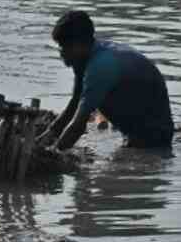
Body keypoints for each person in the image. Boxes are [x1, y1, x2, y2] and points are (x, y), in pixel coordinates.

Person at [42, 10, 173, 151]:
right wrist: (45, 138)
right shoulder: (84, 59)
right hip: (136, 131)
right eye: (60, 47)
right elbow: (74, 103)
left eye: (65, 47)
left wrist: (53, 153)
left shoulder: (100, 67)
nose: (61, 53)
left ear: (80, 44)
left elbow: (78, 126)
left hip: (152, 140)